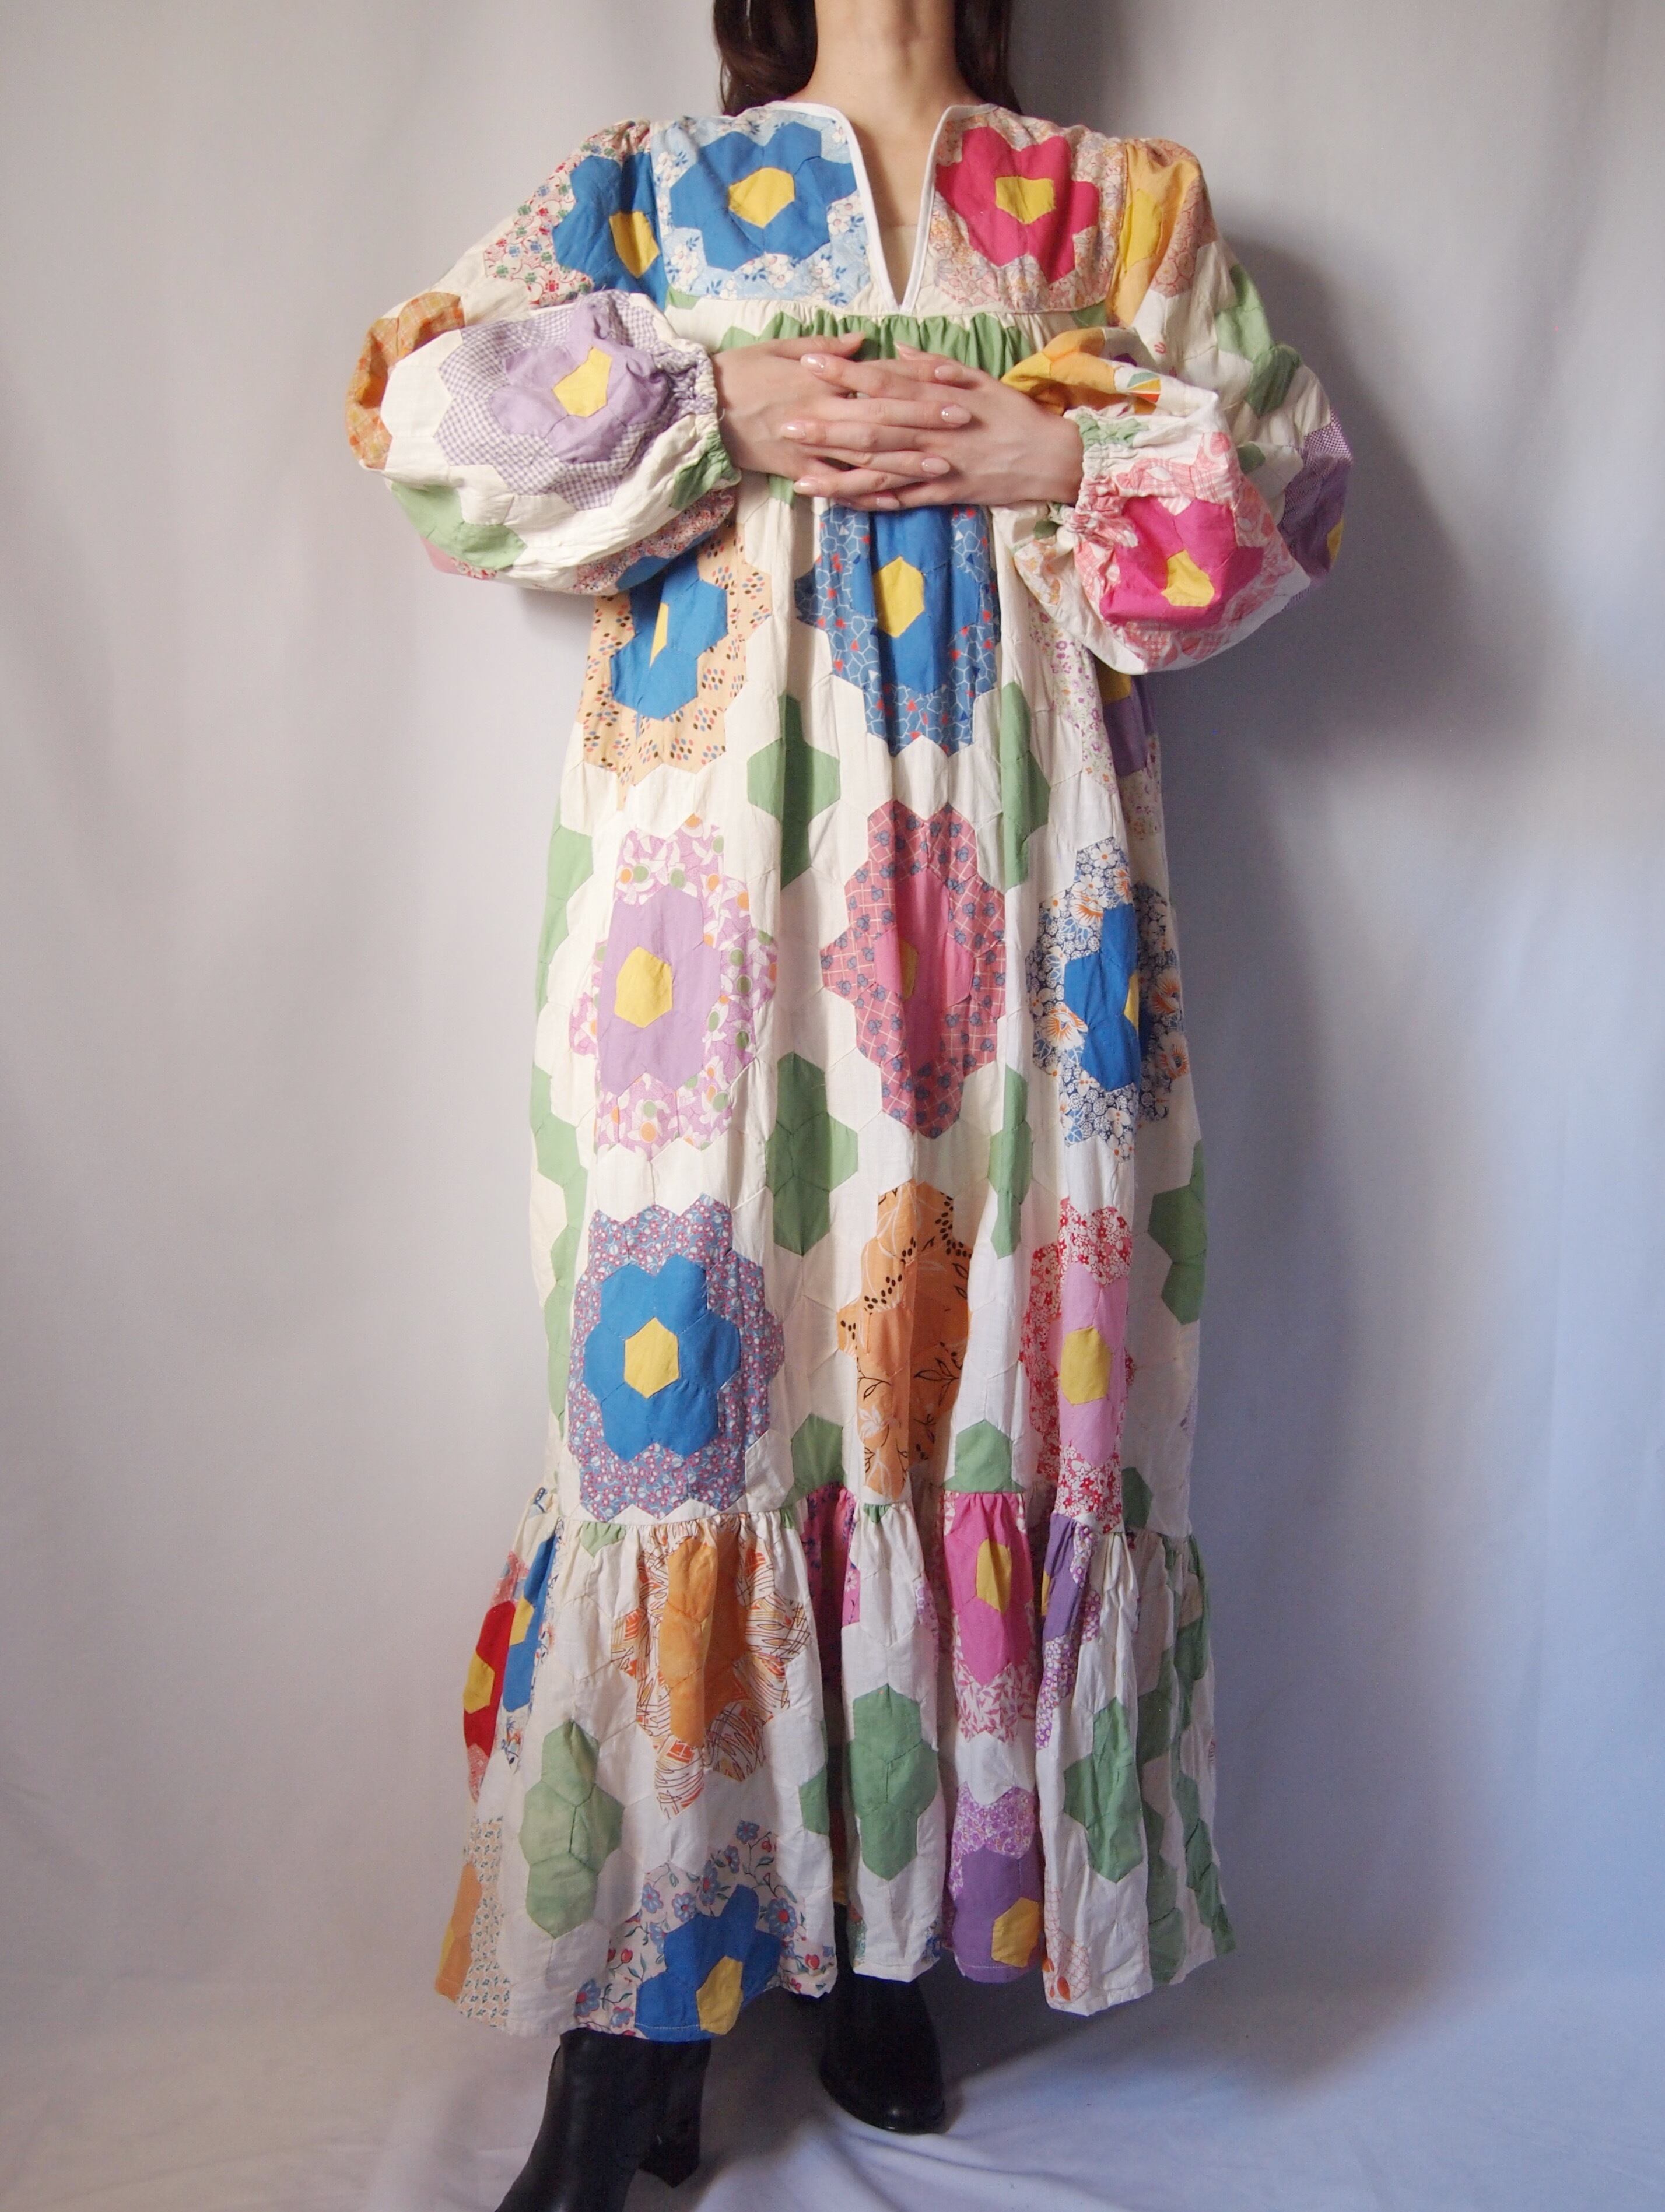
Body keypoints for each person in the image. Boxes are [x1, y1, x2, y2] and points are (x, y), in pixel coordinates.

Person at [346, 1, 1349, 2204]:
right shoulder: (645, 198)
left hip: (1026, 903)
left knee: (963, 1379)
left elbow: (1287, 487)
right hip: (710, 907)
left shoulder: (1119, 210)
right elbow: (425, 412)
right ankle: (635, 2017)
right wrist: (707, 401)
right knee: (689, 1394)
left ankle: (882, 1932)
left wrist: (1063, 458)